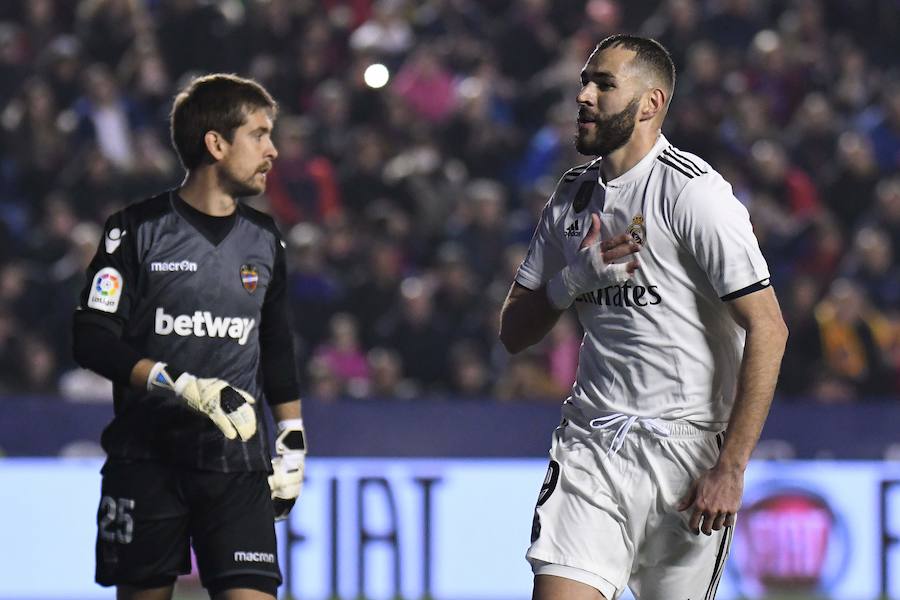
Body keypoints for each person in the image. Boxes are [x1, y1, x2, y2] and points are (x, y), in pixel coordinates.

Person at [499, 35, 788, 600]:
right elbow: (513, 332)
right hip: (592, 446)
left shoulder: (693, 194)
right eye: (585, 81)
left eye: (603, 85)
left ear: (650, 103)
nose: (584, 95)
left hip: (688, 457)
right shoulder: (571, 197)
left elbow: (769, 327)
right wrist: (572, 280)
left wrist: (731, 468)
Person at [72, 74, 307, 600]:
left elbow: (275, 344)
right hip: (147, 460)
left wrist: (292, 438)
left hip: (237, 466)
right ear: (216, 144)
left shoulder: (266, 240)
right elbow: (91, 338)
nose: (272, 150)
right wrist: (178, 383)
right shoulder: (136, 231)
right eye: (259, 134)